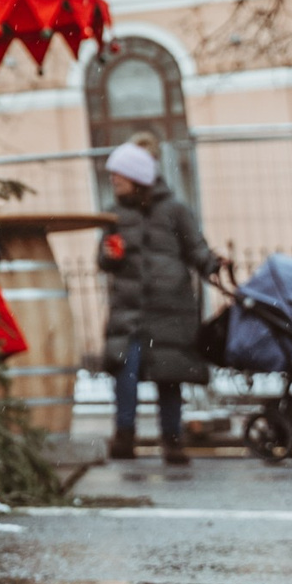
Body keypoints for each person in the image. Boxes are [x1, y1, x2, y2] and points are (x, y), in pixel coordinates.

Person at [98, 136, 225, 464]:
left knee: (169, 377)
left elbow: (195, 247)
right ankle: (124, 436)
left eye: (119, 176)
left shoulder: (175, 211)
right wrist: (109, 255)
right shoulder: (113, 216)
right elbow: (103, 259)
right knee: (125, 372)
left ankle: (173, 441)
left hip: (170, 310)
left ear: (138, 178)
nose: (113, 181)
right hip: (130, 311)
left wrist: (212, 263)